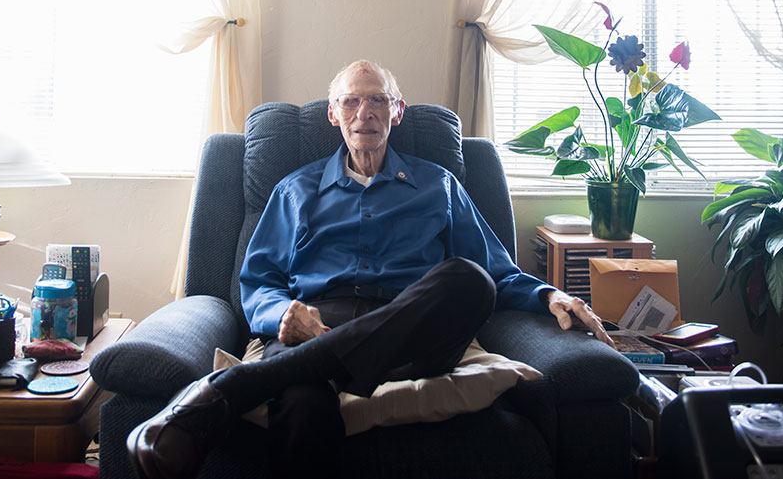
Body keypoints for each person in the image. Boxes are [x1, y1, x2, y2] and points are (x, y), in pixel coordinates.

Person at [130, 59, 614, 479]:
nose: (365, 113)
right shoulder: (294, 190)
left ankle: (234, 387)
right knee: (301, 407)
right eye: (351, 102)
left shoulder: (439, 185)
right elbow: (258, 281)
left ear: (397, 112)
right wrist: (281, 315)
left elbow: (497, 270)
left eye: (378, 100)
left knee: (469, 279)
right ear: (333, 114)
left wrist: (549, 295)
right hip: (315, 328)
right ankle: (302, 370)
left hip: (413, 332)